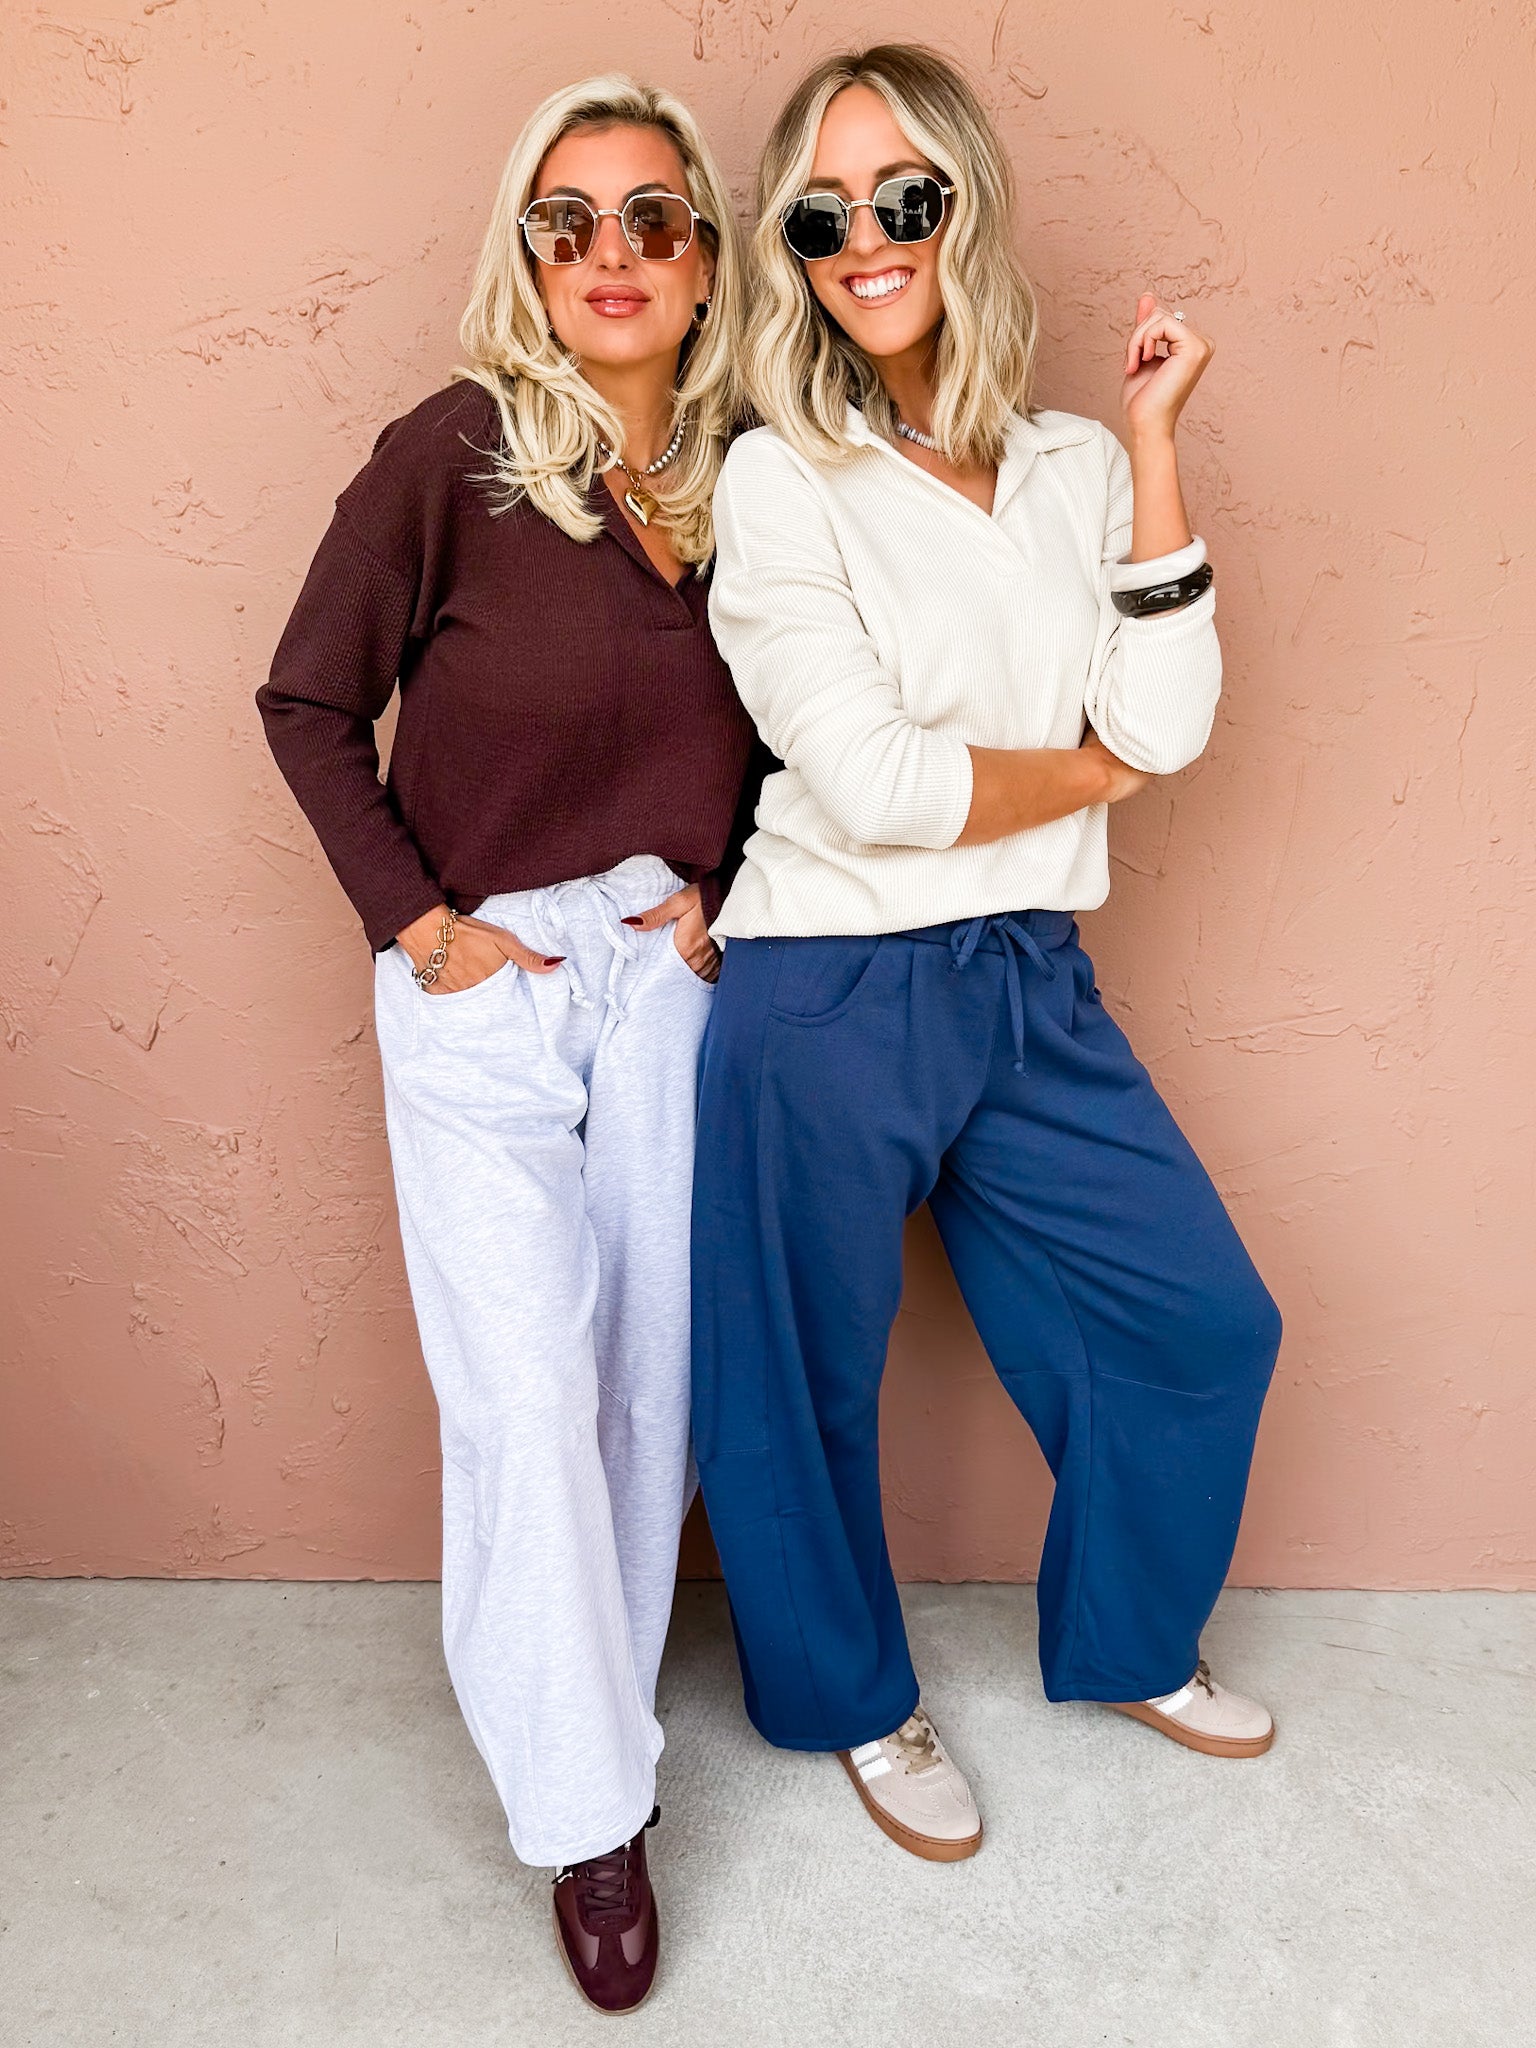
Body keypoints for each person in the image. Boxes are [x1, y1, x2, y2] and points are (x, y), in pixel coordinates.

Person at [691, 44, 1283, 1864]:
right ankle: (851, 1701)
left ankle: (1128, 1642)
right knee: (796, 1375)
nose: (866, 239)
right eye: (822, 217)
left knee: (1197, 1318)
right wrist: (1080, 773)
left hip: (1025, 972)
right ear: (794, 256)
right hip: (826, 984)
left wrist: (1160, 447)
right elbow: (872, 783)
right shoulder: (782, 481)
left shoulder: (1081, 462)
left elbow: (1166, 722)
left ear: (966, 207)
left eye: (905, 197)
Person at [258, 75, 757, 2010]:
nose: (610, 254)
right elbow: (309, 702)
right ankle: (590, 1816)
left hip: (666, 977)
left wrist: (735, 886)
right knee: (529, 1392)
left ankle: (594, 1724)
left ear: (706, 259)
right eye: (569, 221)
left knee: (647, 1381)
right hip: (490, 974)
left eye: (652, 218)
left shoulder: (757, 473)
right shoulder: (452, 455)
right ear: (526, 256)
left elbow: (819, 716)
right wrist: (417, 923)